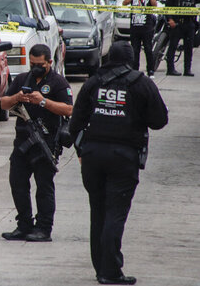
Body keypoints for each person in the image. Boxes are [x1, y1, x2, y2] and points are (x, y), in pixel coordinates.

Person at [69, 41, 168, 285]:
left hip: (92, 156)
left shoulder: (93, 83)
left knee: (99, 211)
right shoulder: (141, 83)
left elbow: (75, 122)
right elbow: (159, 120)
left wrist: (81, 150)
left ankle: (100, 266)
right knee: (115, 212)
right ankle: (110, 271)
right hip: (123, 157)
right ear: (131, 59)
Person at [0, 44, 73, 242]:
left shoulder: (58, 82)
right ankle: (23, 225)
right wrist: (17, 97)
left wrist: (43, 101)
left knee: (44, 187)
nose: (36, 67)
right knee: (17, 183)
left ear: (49, 62)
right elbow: (3, 103)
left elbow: (68, 110)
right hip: (23, 141)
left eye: (40, 64)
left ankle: (43, 228)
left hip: (45, 143)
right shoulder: (24, 79)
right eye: (32, 64)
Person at [165, 0, 200, 76]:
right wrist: (170, 19)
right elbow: (167, 9)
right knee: (172, 46)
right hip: (177, 24)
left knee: (189, 48)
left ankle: (187, 70)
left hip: (189, 24)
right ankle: (170, 69)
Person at [122, 0, 157, 79]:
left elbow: (154, 5)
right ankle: (134, 70)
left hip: (147, 28)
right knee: (135, 50)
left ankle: (150, 71)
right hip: (135, 28)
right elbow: (125, 3)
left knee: (148, 50)